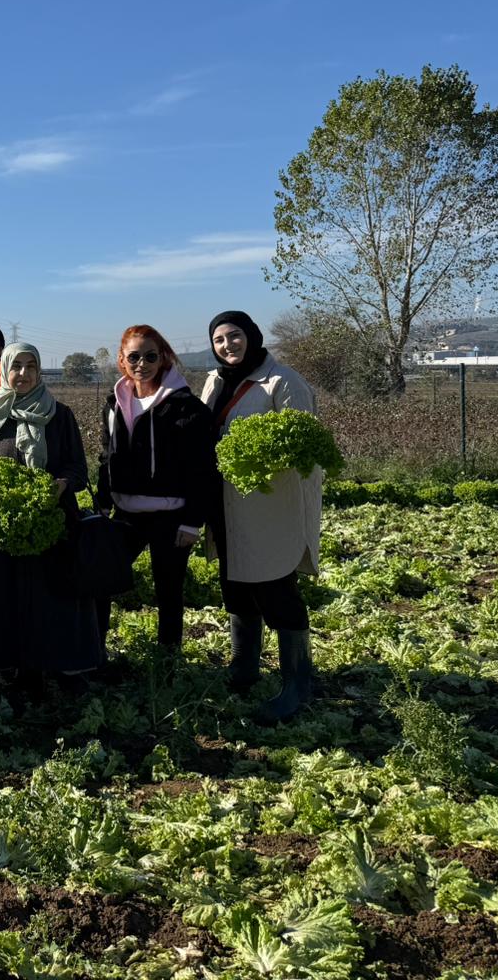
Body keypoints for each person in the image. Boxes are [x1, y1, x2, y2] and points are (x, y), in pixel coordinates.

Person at [199, 310, 322, 723]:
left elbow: (305, 443)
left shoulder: (283, 381)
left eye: (234, 336)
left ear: (251, 336)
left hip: (270, 508)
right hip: (225, 504)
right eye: (219, 339)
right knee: (234, 587)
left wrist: (256, 455)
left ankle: (296, 684)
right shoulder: (215, 380)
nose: (227, 345)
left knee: (275, 590)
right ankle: (244, 669)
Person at [0, 342, 100, 685]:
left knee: (51, 596)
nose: (22, 373)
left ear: (39, 371)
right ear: (5, 370)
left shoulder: (59, 414)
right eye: (16, 366)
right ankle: (8, 664)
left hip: (51, 521)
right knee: (3, 595)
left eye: (30, 366)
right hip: (1, 527)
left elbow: (78, 468)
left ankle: (54, 662)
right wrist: (3, 496)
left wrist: (60, 485)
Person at [96, 325, 218, 654]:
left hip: (172, 516)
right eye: (134, 356)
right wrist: (102, 500)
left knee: (168, 590)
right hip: (126, 514)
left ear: (163, 358)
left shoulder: (187, 408)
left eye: (151, 356)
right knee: (101, 579)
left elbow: (203, 470)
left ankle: (168, 658)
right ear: (122, 359)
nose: (142, 364)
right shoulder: (114, 404)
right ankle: (94, 651)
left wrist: (192, 520)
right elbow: (106, 456)